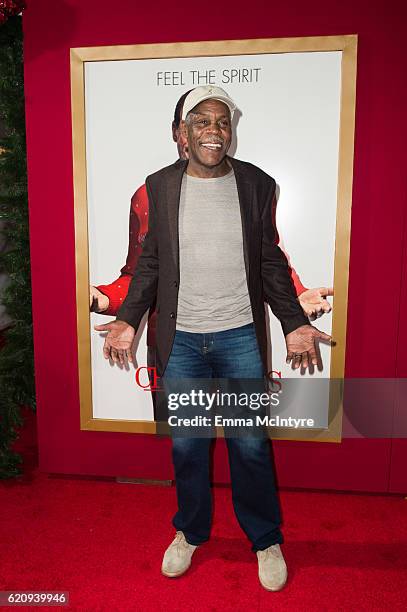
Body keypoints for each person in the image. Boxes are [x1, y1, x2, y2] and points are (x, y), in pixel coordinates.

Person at [94, 85, 332, 591]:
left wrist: (293, 324)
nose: (213, 131)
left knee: (249, 446)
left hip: (240, 336)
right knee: (188, 447)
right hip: (181, 343)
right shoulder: (157, 187)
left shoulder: (256, 184)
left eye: (222, 122)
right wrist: (128, 318)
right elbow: (151, 262)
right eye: (201, 121)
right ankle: (191, 532)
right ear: (182, 133)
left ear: (231, 131)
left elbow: (269, 260)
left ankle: (265, 539)